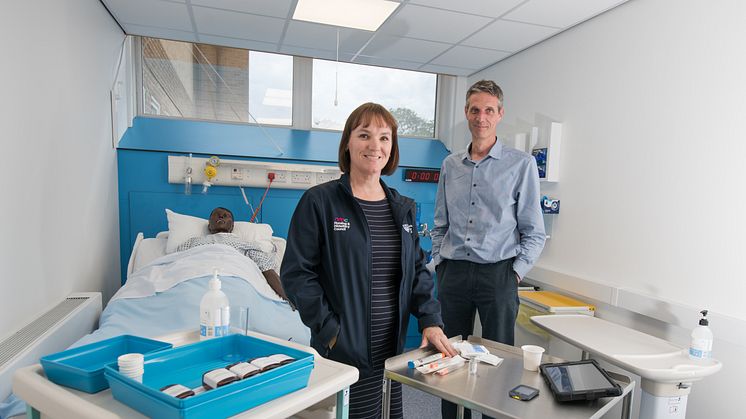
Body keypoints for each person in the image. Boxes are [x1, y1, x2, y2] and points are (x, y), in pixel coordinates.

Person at [281, 103, 457, 419]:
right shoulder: (320, 202)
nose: (375, 146)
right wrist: (331, 331)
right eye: (364, 135)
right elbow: (296, 273)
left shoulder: (401, 208)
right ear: (348, 143)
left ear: (392, 148)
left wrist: (431, 320)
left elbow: (416, 270)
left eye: (384, 138)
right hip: (341, 351)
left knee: (387, 413)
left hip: (390, 350)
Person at [431, 80, 546, 419]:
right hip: (453, 273)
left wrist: (514, 274)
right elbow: (440, 224)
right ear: (466, 114)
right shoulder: (450, 165)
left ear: (500, 115)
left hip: (499, 274)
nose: (481, 117)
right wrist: (439, 262)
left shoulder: (520, 165)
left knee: (500, 361)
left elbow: (534, 232)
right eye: (474, 110)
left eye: (489, 111)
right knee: (450, 357)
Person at [177, 207, 292, 306]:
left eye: (226, 216)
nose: (221, 216)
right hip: (196, 277)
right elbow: (175, 262)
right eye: (217, 215)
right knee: (186, 296)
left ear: (232, 226)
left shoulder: (246, 244)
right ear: (209, 226)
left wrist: (289, 297)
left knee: (242, 297)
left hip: (236, 279)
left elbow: (267, 269)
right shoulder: (193, 243)